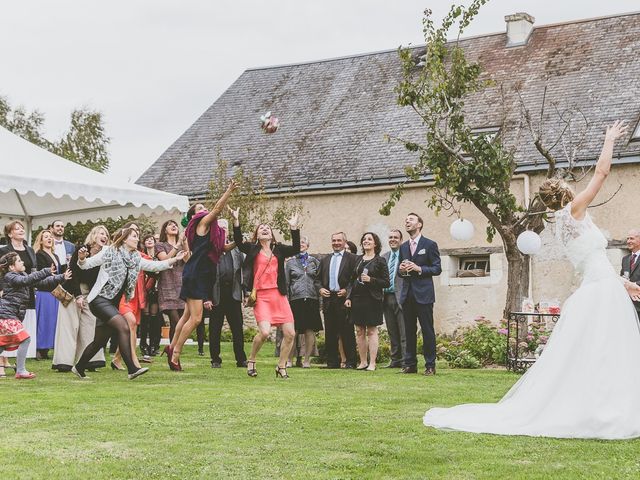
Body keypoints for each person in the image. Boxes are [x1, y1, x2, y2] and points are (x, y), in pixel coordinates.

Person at [424, 120, 640, 439]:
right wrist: (608, 140)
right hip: (599, 291)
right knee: (606, 348)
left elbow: (593, 263)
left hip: (600, 286)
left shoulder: (563, 224)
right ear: (566, 195)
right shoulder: (575, 212)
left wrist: (626, 284)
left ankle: (602, 404)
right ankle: (601, 409)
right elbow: (601, 174)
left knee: (600, 349)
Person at [73, 227, 185, 380]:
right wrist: (81, 258)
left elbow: (154, 266)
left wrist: (174, 259)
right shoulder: (109, 251)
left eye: (137, 236)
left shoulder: (135, 257)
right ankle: (132, 369)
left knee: (99, 341)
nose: (137, 239)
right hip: (99, 299)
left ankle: (79, 367)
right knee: (123, 326)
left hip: (112, 303)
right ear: (124, 239)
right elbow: (85, 265)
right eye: (134, 236)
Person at [167, 181, 237, 371]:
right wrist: (228, 190)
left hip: (201, 275)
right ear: (195, 216)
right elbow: (216, 209)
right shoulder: (201, 224)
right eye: (200, 208)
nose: (204, 209)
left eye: (203, 207)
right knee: (197, 319)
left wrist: (238, 240)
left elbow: (223, 248)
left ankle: (171, 346)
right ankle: (175, 356)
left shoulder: (211, 233)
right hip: (196, 275)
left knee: (187, 316)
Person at [231, 207, 300, 378]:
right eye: (261, 227)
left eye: (267, 228)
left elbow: (297, 248)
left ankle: (281, 366)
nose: (264, 229)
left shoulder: (279, 249)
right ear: (257, 234)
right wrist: (236, 221)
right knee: (264, 332)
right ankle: (252, 360)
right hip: (261, 296)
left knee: (290, 333)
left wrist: (293, 228)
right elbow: (239, 243)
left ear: (271, 234)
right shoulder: (252, 249)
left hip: (279, 295)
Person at [0, 252, 69, 379]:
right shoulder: (11, 277)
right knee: (25, 339)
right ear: (11, 267)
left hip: (10, 315)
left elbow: (42, 283)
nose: (23, 262)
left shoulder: (22, 275)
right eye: (19, 261)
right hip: (6, 315)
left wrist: (61, 277)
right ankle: (20, 370)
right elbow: (26, 280)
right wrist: (46, 270)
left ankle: (20, 370)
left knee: (3, 344)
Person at [52, 225, 109, 372]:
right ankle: (63, 362)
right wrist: (78, 296)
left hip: (90, 293)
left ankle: (91, 361)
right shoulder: (82, 250)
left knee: (90, 325)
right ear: (94, 235)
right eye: (101, 233)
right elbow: (73, 275)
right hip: (72, 290)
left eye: (106, 235)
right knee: (69, 326)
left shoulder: (104, 255)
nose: (105, 236)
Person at [398, 213, 441, 375]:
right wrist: (402, 270)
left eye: (411, 219)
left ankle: (430, 365)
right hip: (407, 294)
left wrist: (419, 269)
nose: (407, 221)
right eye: (406, 219)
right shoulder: (403, 247)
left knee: (427, 330)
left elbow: (437, 268)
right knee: (409, 331)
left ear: (419, 224)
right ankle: (410, 364)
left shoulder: (429, 244)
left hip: (424, 294)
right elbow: (400, 272)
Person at [205, 219, 247, 369]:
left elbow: (243, 271)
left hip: (233, 293)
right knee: (215, 330)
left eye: (225, 228)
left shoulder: (236, 250)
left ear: (228, 231)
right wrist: (207, 298)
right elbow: (206, 276)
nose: (222, 230)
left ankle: (241, 359)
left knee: (237, 329)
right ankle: (215, 359)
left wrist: (245, 292)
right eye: (219, 228)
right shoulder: (210, 250)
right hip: (216, 294)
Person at [345, 232, 389, 371]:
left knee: (371, 331)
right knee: (359, 331)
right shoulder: (357, 260)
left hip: (372, 299)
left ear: (375, 243)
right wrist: (348, 297)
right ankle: (363, 362)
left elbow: (386, 282)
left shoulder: (380, 260)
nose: (366, 241)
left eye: (369, 239)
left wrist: (371, 280)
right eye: (364, 239)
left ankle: (372, 363)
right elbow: (351, 281)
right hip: (357, 298)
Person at [318, 232, 359, 369]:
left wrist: (348, 291)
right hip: (329, 298)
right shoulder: (325, 259)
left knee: (347, 332)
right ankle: (332, 362)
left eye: (339, 240)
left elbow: (355, 279)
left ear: (344, 242)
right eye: (334, 240)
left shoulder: (352, 258)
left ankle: (351, 362)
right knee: (330, 332)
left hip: (344, 298)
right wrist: (320, 289)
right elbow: (317, 279)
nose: (336, 243)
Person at [0, 221, 38, 360]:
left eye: (22, 228)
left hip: (27, 293)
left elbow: (34, 271)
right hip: (9, 293)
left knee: (23, 327)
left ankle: (19, 363)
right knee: (7, 327)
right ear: (10, 234)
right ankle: (2, 365)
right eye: (17, 229)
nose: (21, 230)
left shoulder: (30, 250)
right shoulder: (3, 250)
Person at [285, 236, 323, 368]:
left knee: (310, 330)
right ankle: (289, 359)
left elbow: (319, 282)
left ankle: (307, 360)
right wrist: (286, 302)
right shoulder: (290, 263)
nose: (301, 244)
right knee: (292, 331)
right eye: (299, 242)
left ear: (308, 245)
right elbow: (286, 283)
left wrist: (321, 301)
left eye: (303, 242)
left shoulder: (314, 262)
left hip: (312, 298)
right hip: (295, 299)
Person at [155, 220, 189, 342]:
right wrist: (178, 243)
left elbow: (188, 260)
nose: (174, 226)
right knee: (175, 319)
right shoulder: (160, 245)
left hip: (181, 286)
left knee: (180, 321)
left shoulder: (182, 245)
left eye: (175, 224)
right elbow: (164, 260)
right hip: (167, 286)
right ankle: (173, 348)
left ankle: (174, 347)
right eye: (170, 224)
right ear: (165, 230)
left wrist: (184, 243)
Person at [34, 229, 62, 360]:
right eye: (46, 237)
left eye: (50, 237)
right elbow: (40, 275)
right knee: (44, 321)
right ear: (41, 240)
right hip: (44, 292)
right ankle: (40, 348)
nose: (49, 239)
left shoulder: (55, 256)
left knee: (52, 321)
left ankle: (47, 348)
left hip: (54, 292)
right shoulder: (39, 254)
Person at [382, 229, 406, 368]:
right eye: (390, 237)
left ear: (401, 240)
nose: (393, 239)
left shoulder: (405, 255)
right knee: (392, 331)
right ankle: (395, 360)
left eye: (396, 237)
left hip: (401, 297)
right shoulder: (384, 257)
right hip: (386, 297)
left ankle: (405, 359)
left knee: (404, 331)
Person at [139, 234, 160, 359]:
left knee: (154, 317)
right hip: (144, 288)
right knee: (145, 317)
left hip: (156, 289)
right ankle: (143, 344)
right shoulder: (142, 256)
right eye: (147, 239)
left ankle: (154, 344)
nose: (149, 241)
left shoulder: (159, 256)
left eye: (151, 239)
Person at [621, 229, 640, 317]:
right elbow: (622, 277)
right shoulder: (625, 259)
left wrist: (633, 285)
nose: (628, 241)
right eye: (627, 238)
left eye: (631, 238)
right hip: (628, 304)